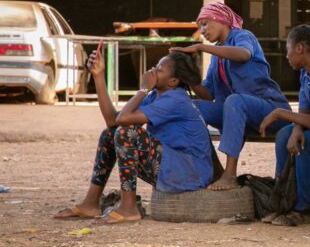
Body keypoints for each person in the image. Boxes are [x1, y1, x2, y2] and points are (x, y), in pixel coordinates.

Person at [54, 50, 213, 223]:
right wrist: (98, 76)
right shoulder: (156, 96)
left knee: (127, 133)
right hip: (174, 164)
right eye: (155, 66)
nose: (152, 71)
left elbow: (123, 120)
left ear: (173, 81)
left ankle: (129, 208)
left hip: (190, 172)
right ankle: (91, 203)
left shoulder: (175, 100)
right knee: (110, 135)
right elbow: (112, 121)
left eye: (159, 70)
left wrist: (143, 89)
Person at [171, 2, 291, 190]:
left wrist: (201, 48)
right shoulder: (216, 56)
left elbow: (243, 54)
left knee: (234, 101)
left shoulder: (243, 36)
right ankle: (213, 169)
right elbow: (208, 95)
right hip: (238, 113)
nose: (202, 31)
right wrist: (188, 76)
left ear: (221, 19)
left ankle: (230, 175)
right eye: (199, 27)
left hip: (270, 110)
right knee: (192, 107)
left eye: (205, 24)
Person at [258, 25, 310, 226]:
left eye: (288, 49)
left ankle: (303, 210)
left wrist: (279, 113)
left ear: (300, 48)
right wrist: (296, 129)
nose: (287, 55)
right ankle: (283, 204)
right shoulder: (305, 73)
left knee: (306, 142)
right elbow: (304, 112)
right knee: (284, 136)